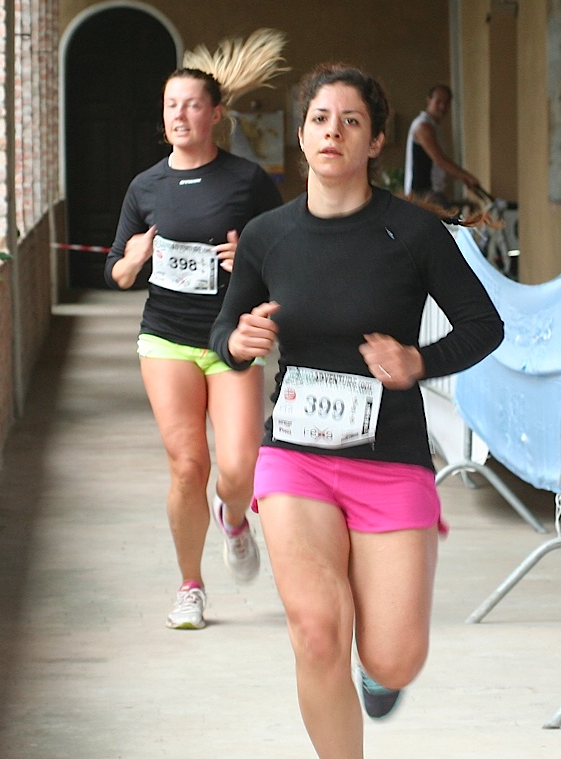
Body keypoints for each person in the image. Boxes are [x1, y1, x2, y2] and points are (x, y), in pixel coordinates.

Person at [210, 63, 503, 756]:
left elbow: (483, 325)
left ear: (374, 142)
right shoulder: (266, 236)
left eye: (350, 121)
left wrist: (417, 361)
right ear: (302, 135)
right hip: (296, 457)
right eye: (319, 119)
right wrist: (238, 342)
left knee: (394, 659)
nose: (332, 132)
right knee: (317, 632)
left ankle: (380, 673)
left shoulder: (415, 232)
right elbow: (225, 334)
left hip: (390, 458)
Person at [104, 66, 283, 630]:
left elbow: (286, 257)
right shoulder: (145, 187)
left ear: (215, 114)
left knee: (239, 466)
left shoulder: (247, 180)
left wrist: (249, 260)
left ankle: (233, 517)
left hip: (231, 337)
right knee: (188, 466)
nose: (179, 115)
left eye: (192, 105)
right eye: (170, 105)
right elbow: (117, 272)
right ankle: (190, 587)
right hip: (166, 339)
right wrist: (134, 259)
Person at [404, 83, 481, 206]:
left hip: (431, 193)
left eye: (446, 102)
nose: (442, 106)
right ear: (428, 101)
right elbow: (439, 160)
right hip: (422, 195)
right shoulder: (423, 126)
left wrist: (465, 178)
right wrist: (466, 177)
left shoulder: (433, 126)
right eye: (438, 101)